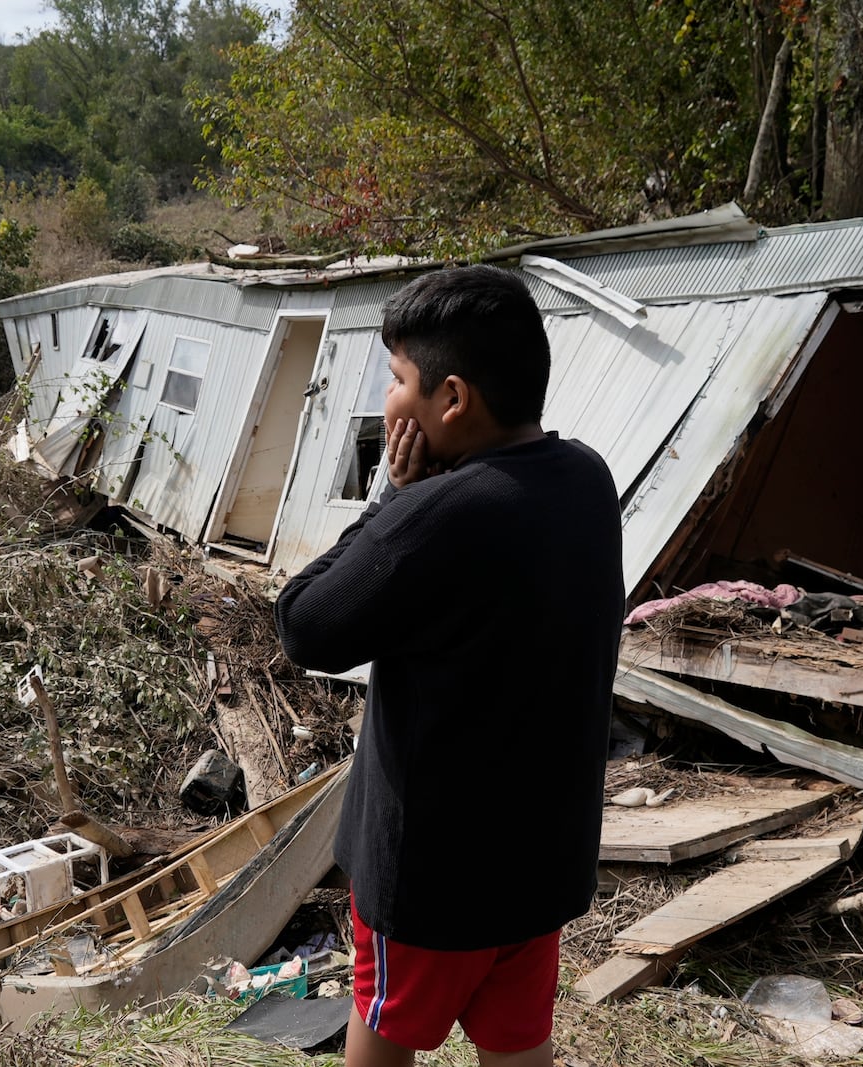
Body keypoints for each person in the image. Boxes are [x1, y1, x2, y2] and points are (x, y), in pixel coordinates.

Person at [274, 264, 624, 1067]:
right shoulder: (586, 481)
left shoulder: (441, 517)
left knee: (382, 1049)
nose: (388, 401)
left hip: (433, 885)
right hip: (536, 867)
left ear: (453, 399)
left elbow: (305, 623)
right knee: (518, 1045)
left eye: (397, 380)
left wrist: (393, 500)